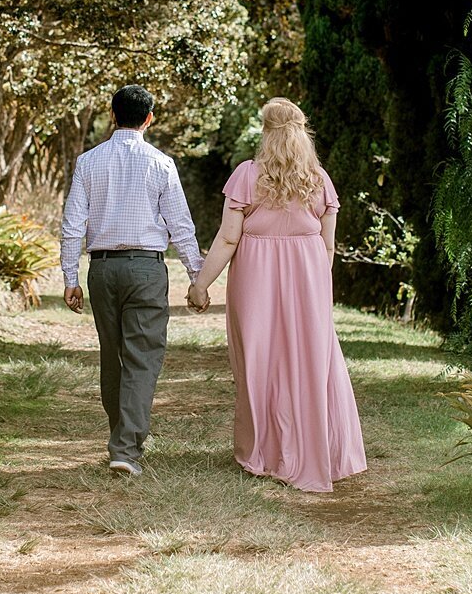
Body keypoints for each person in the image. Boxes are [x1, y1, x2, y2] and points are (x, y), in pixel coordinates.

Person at [187, 98, 366, 493]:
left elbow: (230, 237)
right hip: (309, 274)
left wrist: (201, 283)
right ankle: (322, 449)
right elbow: (329, 247)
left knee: (260, 359)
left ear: (265, 132)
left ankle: (266, 452)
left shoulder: (247, 175)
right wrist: (315, 285)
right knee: (311, 360)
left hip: (256, 275)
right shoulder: (319, 179)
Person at [60, 84, 204, 477]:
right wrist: (197, 277)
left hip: (102, 270)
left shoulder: (88, 162)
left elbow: (73, 225)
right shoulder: (161, 164)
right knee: (142, 358)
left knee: (114, 355)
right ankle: (125, 447)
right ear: (149, 119)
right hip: (145, 269)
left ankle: (121, 440)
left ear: (112, 114)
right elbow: (180, 226)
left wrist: (70, 277)